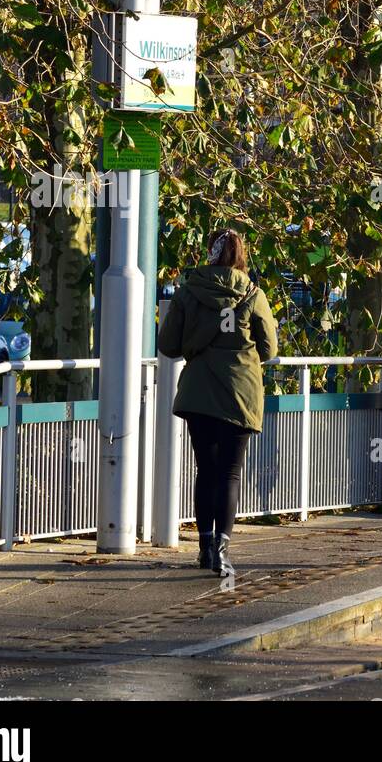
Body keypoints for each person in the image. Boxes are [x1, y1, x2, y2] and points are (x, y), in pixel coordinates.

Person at [159, 228, 277, 577]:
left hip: (199, 393)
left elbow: (168, 346)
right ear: (241, 256)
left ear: (208, 252)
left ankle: (205, 547)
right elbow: (269, 349)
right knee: (229, 473)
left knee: (205, 470)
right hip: (240, 393)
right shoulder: (253, 295)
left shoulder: (188, 292)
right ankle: (224, 550)